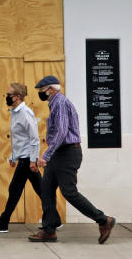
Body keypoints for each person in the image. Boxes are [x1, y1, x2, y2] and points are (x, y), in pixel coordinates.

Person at [28, 75, 115, 244]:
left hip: (67, 153)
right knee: (46, 189)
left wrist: (45, 156)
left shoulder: (59, 103)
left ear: (51, 90)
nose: (41, 94)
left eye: (42, 91)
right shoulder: (55, 103)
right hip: (59, 153)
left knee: (69, 192)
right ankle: (49, 230)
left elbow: (61, 132)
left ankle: (104, 220)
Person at [0, 82, 59, 232]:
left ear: (17, 97)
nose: (7, 97)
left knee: (14, 190)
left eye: (9, 94)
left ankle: (3, 223)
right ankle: (55, 219)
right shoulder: (16, 112)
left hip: (27, 159)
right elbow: (20, 139)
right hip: (23, 157)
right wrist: (13, 156)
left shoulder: (25, 113)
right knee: (41, 189)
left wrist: (33, 161)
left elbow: (34, 139)